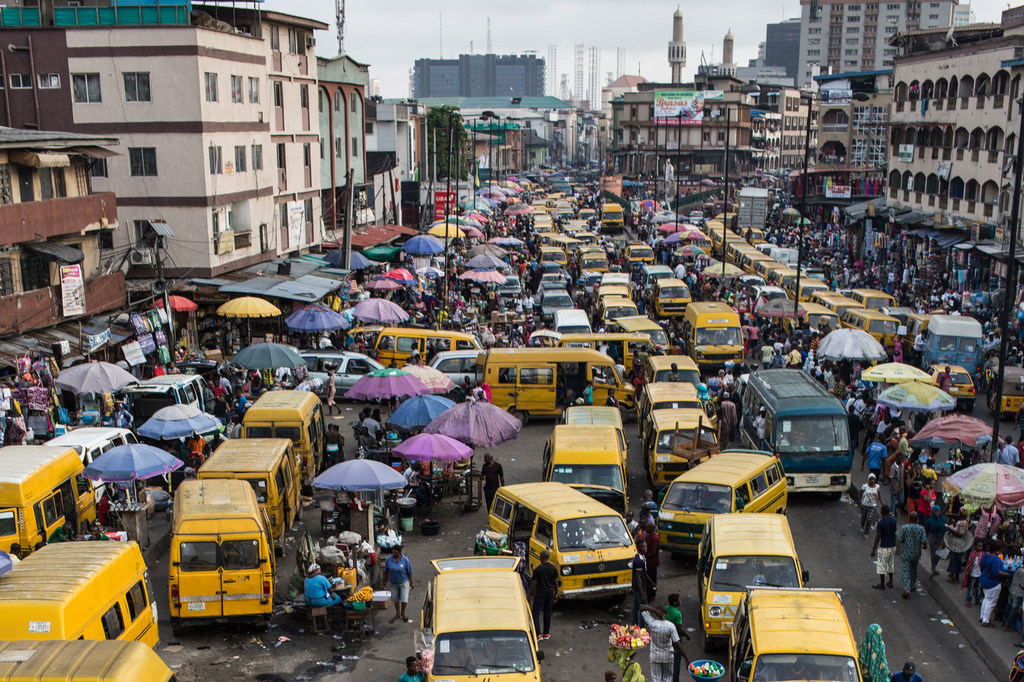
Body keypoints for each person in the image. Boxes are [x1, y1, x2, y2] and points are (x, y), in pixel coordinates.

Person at [638, 604, 687, 682]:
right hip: (668, 656)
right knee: (668, 678)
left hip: (655, 656)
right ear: (666, 613)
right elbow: (678, 643)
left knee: (656, 679)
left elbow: (641, 607)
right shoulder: (671, 626)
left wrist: (655, 610)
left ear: (656, 614)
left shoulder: (652, 623)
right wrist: (686, 659)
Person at [528, 549, 560, 641]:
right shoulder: (553, 568)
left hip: (540, 593)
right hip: (549, 593)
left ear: (541, 557)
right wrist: (556, 593)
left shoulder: (538, 570)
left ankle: (538, 634)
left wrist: (530, 595)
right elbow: (556, 582)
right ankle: (546, 633)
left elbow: (534, 583)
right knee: (547, 613)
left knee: (536, 613)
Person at [896, 511, 927, 598]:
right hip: (916, 553)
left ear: (909, 519)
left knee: (906, 571)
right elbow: (924, 542)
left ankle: (907, 588)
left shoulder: (905, 527)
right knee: (914, 569)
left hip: (907, 553)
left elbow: (900, 539)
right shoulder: (921, 528)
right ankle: (912, 585)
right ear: (917, 519)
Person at [980, 540, 1010, 627]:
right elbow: (995, 573)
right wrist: (1007, 575)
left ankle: (982, 616)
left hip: (984, 579)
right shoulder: (996, 559)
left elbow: (982, 567)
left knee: (986, 599)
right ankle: (986, 621)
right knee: (991, 602)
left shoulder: (985, 555)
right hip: (992, 583)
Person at [382, 546, 414, 624]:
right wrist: (384, 580)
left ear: (399, 553)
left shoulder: (405, 560)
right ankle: (397, 614)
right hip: (393, 582)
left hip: (404, 581)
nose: (393, 554)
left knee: (404, 599)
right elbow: (385, 571)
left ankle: (403, 612)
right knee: (396, 599)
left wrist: (411, 582)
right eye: (392, 552)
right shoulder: (389, 559)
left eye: (395, 553)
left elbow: (409, 572)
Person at [664, 593, 692, 682]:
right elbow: (679, 629)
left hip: (666, 638)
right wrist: (687, 635)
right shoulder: (677, 614)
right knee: (676, 662)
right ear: (675, 603)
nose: (681, 601)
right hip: (675, 640)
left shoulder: (666, 609)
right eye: (679, 600)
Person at [871, 505, 897, 590]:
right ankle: (890, 581)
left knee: (882, 565)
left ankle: (882, 584)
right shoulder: (894, 520)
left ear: (882, 512)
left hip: (884, 546)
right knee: (890, 564)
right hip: (892, 545)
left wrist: (873, 549)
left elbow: (878, 536)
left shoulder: (881, 522)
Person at [632, 539, 655, 626]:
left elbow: (644, 573)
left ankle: (634, 624)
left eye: (645, 546)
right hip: (639, 587)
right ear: (638, 548)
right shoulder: (638, 561)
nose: (645, 548)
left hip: (640, 586)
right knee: (643, 609)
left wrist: (652, 583)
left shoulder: (642, 557)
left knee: (636, 606)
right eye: (643, 547)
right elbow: (638, 578)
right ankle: (641, 627)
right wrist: (642, 593)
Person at [923, 506, 947, 577]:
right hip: (932, 536)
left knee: (939, 553)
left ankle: (934, 565)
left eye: (938, 511)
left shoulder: (942, 519)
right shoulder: (929, 521)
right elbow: (926, 530)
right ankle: (933, 568)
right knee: (933, 553)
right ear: (933, 512)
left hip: (940, 536)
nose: (937, 513)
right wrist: (925, 541)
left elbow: (944, 529)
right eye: (936, 511)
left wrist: (944, 541)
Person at [1004, 559, 1024, 631]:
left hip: (1012, 589)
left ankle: (1004, 620)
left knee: (1009, 606)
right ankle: (1008, 624)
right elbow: (1022, 586)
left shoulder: (1019, 567)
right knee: (1013, 609)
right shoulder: (1023, 572)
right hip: (1018, 593)